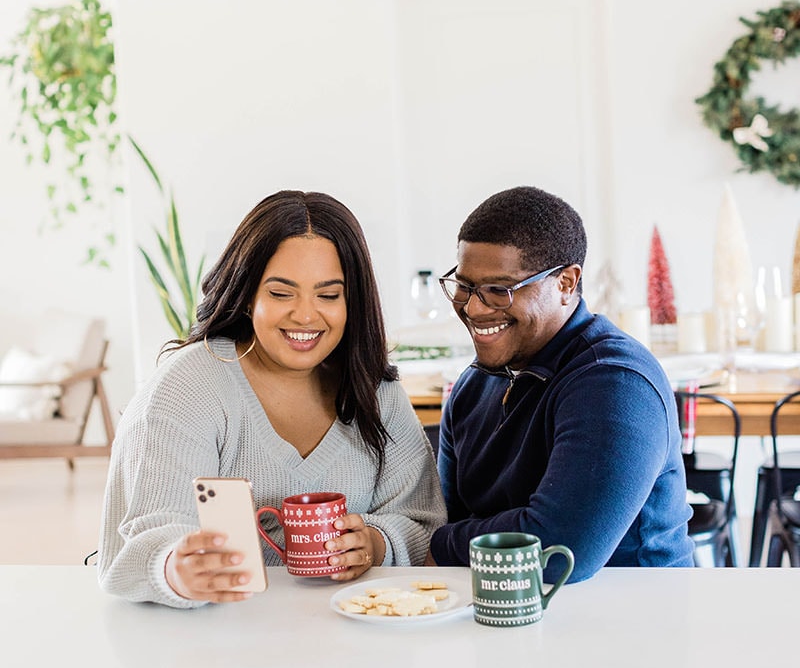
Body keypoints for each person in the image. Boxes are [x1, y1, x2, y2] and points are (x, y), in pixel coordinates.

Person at [98, 190, 446, 607]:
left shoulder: (376, 391)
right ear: (248, 295)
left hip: (352, 642)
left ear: (352, 302)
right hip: (216, 646)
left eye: (329, 295)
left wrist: (375, 542)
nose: (305, 315)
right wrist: (175, 569)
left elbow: (422, 521)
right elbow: (145, 537)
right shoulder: (188, 386)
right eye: (281, 294)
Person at [426, 185, 693, 582]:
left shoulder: (616, 383)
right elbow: (448, 519)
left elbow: (558, 550)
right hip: (503, 612)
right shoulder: (472, 385)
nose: (474, 308)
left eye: (500, 291)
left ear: (567, 282)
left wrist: (436, 545)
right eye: (465, 286)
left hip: (634, 624)